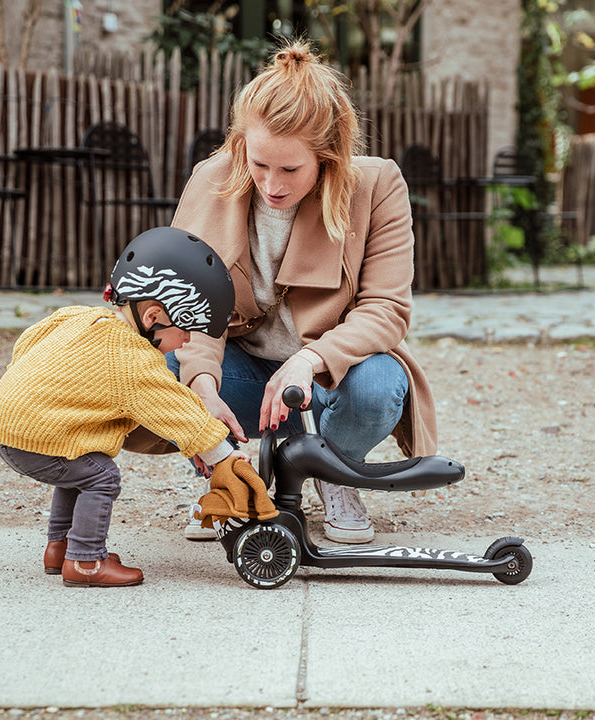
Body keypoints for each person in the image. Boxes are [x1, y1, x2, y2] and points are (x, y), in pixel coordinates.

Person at [167, 39, 437, 545]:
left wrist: (310, 360)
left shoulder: (376, 187)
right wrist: (201, 387)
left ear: (328, 156)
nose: (270, 184)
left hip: (334, 372)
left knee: (379, 387)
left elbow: (386, 310)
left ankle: (334, 471)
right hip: (243, 367)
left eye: (290, 169)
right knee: (166, 369)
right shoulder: (212, 180)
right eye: (258, 163)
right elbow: (187, 305)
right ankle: (226, 476)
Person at [0, 227, 248, 587]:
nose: (187, 340)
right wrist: (221, 454)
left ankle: (60, 549)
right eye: (186, 329)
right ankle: (86, 562)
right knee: (101, 476)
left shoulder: (77, 317)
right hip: (30, 440)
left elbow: (27, 345)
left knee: (80, 460)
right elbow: (174, 410)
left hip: (6, 425)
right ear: (153, 316)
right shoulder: (132, 358)